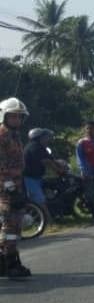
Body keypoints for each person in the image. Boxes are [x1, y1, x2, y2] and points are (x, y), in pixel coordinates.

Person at [0, 98, 32, 278]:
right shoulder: (2, 135)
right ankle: (11, 263)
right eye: (13, 116)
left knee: (13, 224)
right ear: (4, 116)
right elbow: (1, 166)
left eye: (19, 117)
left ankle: (5, 262)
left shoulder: (15, 135)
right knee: (10, 226)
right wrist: (10, 188)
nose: (17, 120)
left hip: (17, 184)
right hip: (5, 189)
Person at [24, 128, 62, 213]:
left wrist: (60, 164)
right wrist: (58, 170)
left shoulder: (41, 147)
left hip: (37, 177)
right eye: (44, 137)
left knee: (50, 190)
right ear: (39, 138)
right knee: (39, 200)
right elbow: (46, 161)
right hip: (30, 178)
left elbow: (51, 159)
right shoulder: (34, 147)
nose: (47, 139)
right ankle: (48, 219)